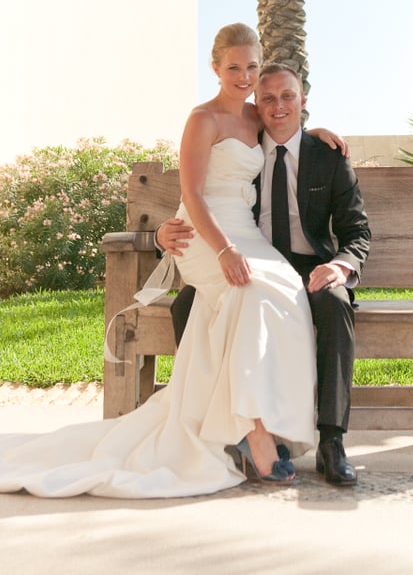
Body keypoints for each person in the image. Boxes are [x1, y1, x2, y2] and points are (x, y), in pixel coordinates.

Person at [0, 23, 342, 498]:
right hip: (203, 234)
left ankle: (271, 421)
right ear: (216, 68)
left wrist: (316, 129)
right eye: (234, 67)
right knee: (251, 292)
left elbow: (287, 125)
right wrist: (221, 249)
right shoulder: (202, 120)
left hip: (245, 234)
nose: (244, 76)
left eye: (252, 67)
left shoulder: (256, 116)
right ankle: (252, 429)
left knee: (283, 290)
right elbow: (193, 195)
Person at [157, 61, 371, 486]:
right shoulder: (246, 137)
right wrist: (163, 232)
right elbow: (209, 193)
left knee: (333, 303)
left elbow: (357, 231)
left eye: (288, 97)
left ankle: (331, 439)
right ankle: (231, 429)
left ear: (303, 101)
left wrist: (339, 265)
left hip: (309, 267)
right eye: (268, 98)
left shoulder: (327, 157)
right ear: (255, 103)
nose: (278, 107)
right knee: (189, 305)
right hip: (248, 259)